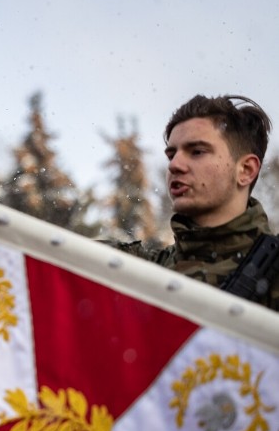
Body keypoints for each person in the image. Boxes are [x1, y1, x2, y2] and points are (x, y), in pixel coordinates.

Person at [108, 94, 278, 310]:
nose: (174, 165)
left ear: (246, 170)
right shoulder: (139, 272)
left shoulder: (274, 273)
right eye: (171, 155)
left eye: (197, 151)